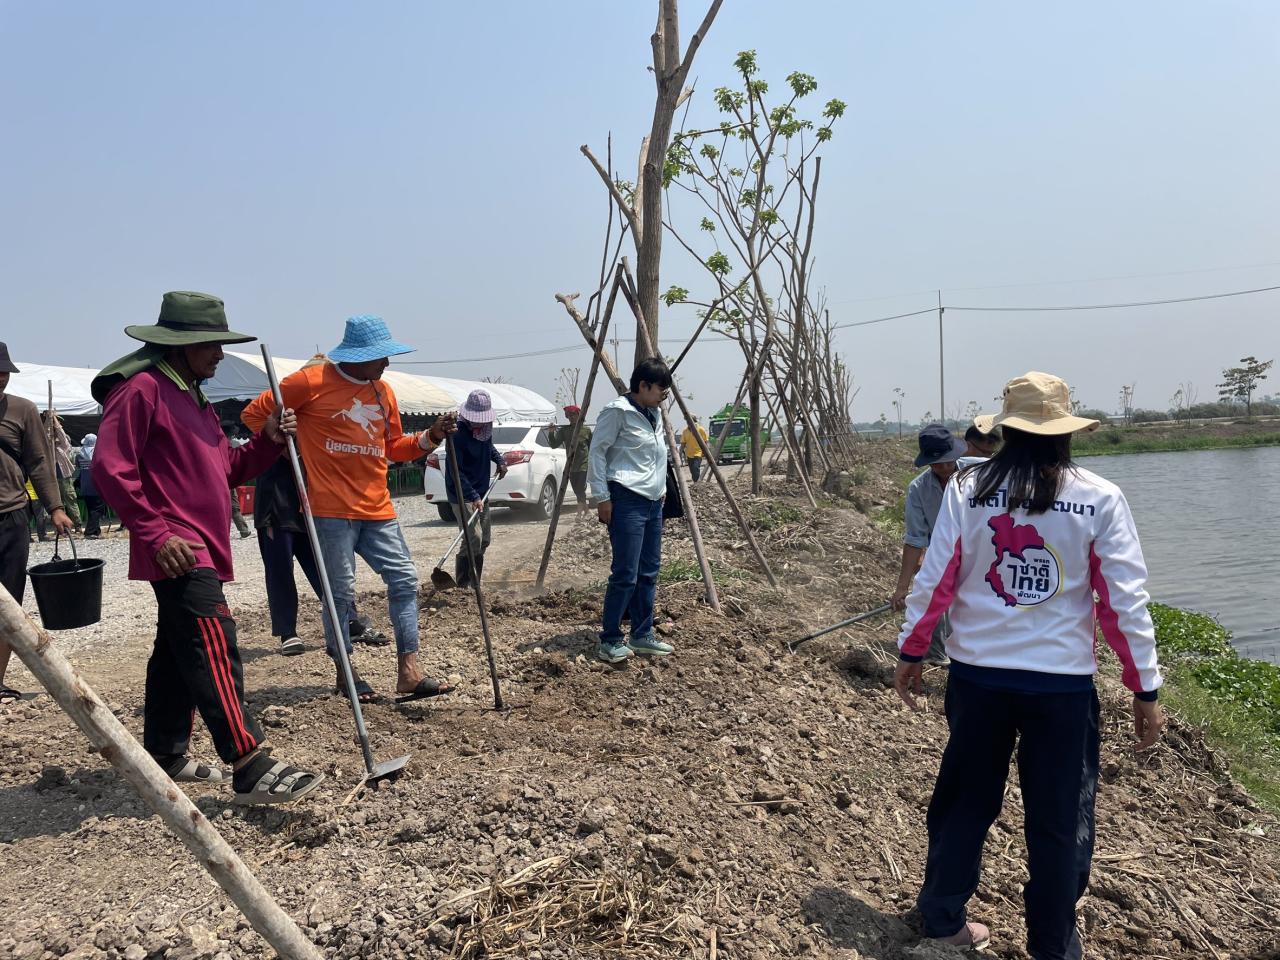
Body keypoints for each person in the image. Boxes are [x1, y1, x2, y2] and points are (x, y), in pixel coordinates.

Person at [894, 372, 1165, 958]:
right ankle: (1052, 944)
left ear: (1009, 431)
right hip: (1061, 691)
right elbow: (1122, 601)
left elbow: (936, 578)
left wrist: (912, 651)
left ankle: (942, 920)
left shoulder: (969, 490)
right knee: (1060, 822)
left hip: (978, 679)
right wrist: (1145, 687)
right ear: (1067, 433)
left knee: (964, 800)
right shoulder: (1099, 497)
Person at [91, 291, 323, 804]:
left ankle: (166, 754)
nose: (220, 354)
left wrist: (268, 440)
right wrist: (154, 532)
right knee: (212, 641)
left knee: (176, 651)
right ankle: (247, 760)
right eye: (212, 344)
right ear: (182, 346)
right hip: (176, 544)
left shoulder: (195, 401)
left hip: (200, 542)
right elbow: (110, 467)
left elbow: (230, 469)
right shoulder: (142, 391)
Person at [242, 315, 457, 704]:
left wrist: (431, 437)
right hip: (329, 508)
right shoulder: (309, 382)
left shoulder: (384, 392)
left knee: (405, 580)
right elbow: (253, 415)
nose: (386, 364)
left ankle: (409, 670)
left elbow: (393, 447)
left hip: (378, 507)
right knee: (340, 593)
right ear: (357, 356)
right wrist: (282, 425)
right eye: (380, 357)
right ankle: (346, 671)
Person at [1, 341, 75, 703]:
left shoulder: (22, 410)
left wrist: (56, 508)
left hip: (10, 517)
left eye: (4, 373)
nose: (1, 378)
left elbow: (40, 463)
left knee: (8, 605)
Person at [587, 357, 674, 664]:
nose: (665, 394)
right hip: (626, 499)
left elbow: (657, 458)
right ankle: (610, 639)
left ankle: (642, 634)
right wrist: (602, 496)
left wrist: (662, 492)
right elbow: (597, 453)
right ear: (643, 386)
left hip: (653, 502)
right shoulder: (617, 412)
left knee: (649, 571)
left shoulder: (654, 414)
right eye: (660, 388)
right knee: (626, 573)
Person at [890, 424, 968, 665]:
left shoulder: (977, 476)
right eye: (937, 464)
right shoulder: (918, 489)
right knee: (931, 597)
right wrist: (902, 588)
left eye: (948, 462)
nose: (944, 469)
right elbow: (915, 539)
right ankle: (937, 656)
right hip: (942, 554)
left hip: (982, 551)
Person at [447, 389, 507, 588]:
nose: (481, 423)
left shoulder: (484, 429)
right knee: (474, 537)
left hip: (481, 490)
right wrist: (472, 496)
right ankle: (465, 585)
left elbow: (488, 447)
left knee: (484, 540)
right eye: (477, 419)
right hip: (462, 494)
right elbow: (457, 472)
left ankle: (473, 583)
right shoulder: (457, 436)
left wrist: (500, 461)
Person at [547, 404, 592, 513]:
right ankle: (586, 511)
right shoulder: (564, 430)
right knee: (577, 490)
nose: (571, 417)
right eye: (569, 415)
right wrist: (551, 432)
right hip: (571, 466)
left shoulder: (586, 430)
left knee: (581, 488)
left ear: (579, 415)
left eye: (573, 415)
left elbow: (592, 448)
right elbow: (554, 445)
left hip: (583, 465)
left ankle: (579, 513)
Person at [43, 411, 82, 531]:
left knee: (70, 500)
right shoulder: (48, 443)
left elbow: (61, 435)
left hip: (65, 477)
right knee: (57, 503)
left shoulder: (63, 443)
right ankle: (62, 527)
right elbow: (44, 434)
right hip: (52, 478)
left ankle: (78, 525)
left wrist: (54, 419)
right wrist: (48, 421)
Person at [74, 433, 104, 538]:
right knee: (98, 509)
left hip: (85, 484)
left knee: (91, 508)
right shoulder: (98, 453)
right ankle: (90, 531)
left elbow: (78, 467)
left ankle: (96, 531)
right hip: (96, 485)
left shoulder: (79, 454)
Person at [680, 415, 710, 482]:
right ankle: (696, 483)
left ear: (694, 421)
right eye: (687, 421)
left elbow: (706, 441)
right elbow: (683, 444)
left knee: (696, 468)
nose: (688, 422)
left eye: (689, 421)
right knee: (692, 471)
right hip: (689, 454)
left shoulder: (700, 429)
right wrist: (679, 454)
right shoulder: (685, 431)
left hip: (698, 453)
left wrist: (706, 452)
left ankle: (697, 483)